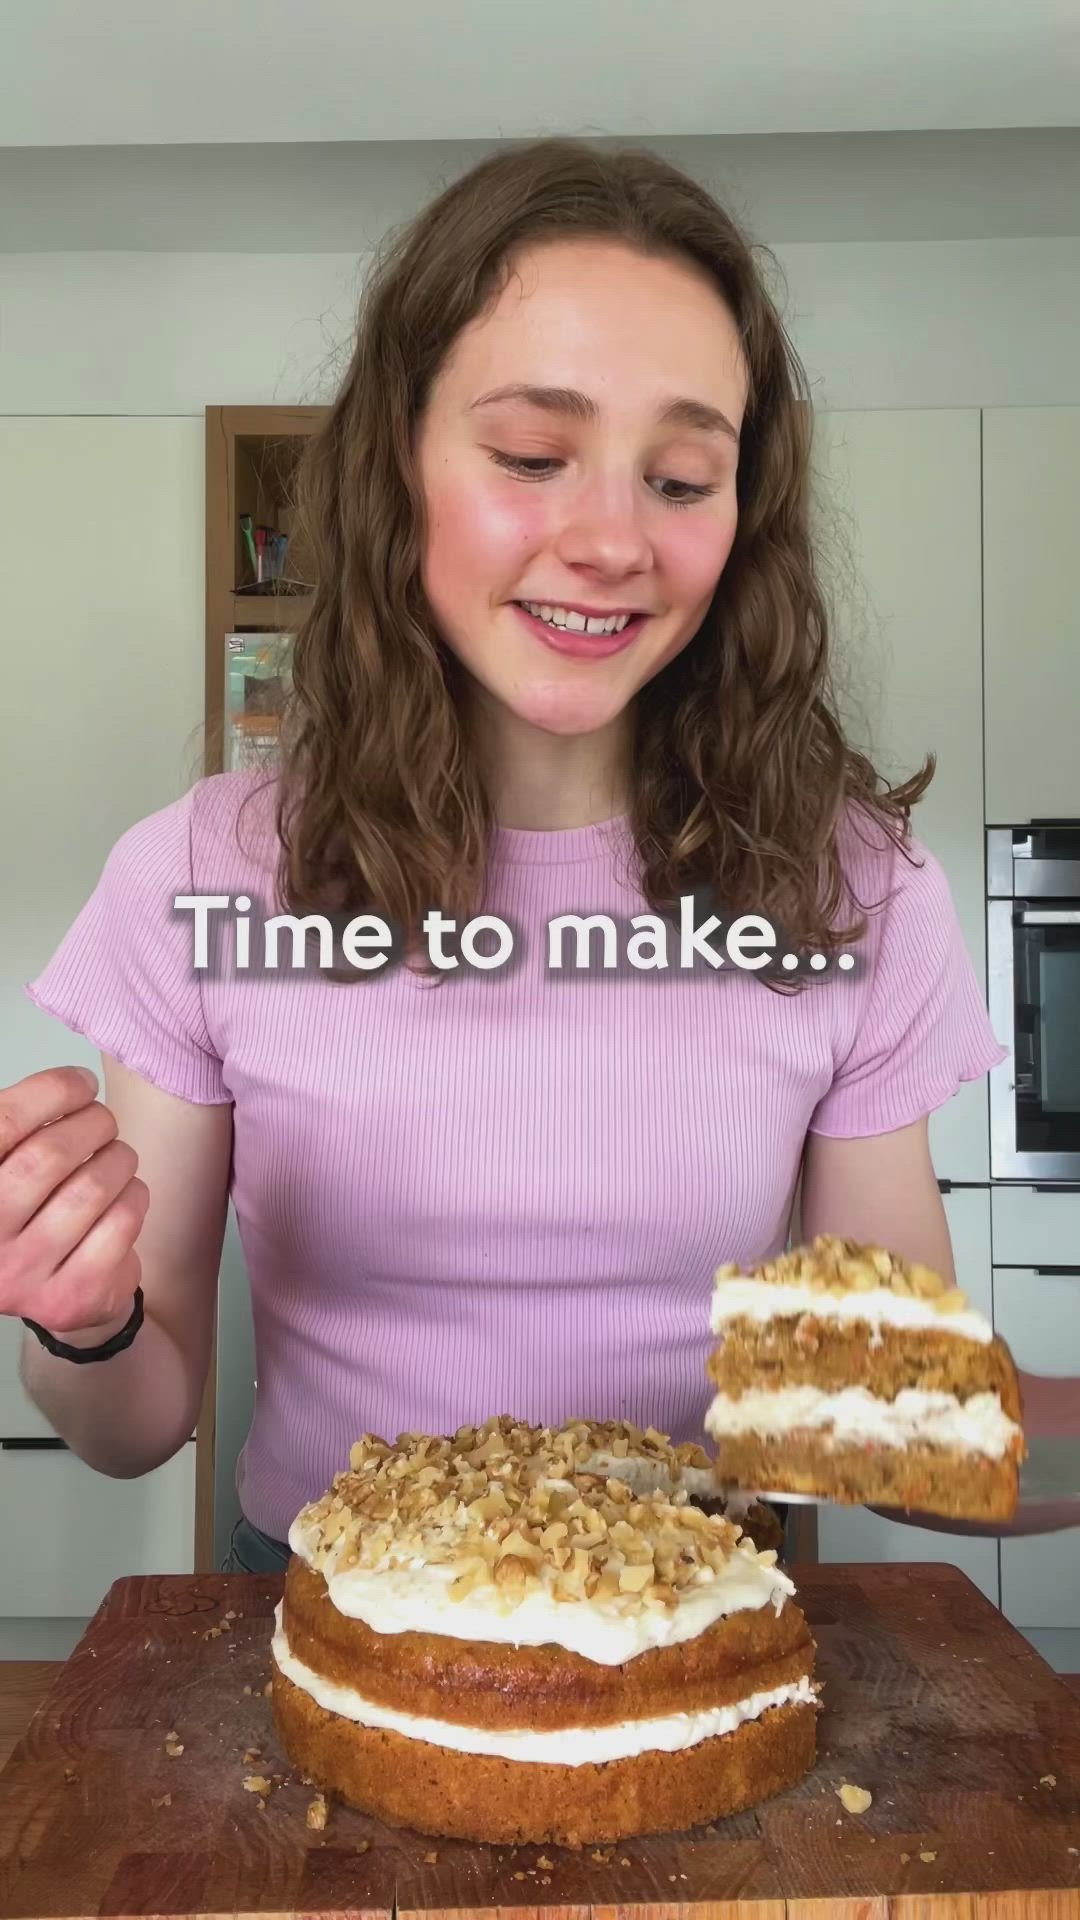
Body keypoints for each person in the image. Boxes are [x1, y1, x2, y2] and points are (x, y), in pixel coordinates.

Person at [1, 139, 1059, 1578]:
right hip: (321, 1614)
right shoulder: (199, 878)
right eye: (530, 456)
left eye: (683, 478)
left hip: (700, 1619)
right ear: (397, 468)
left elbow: (888, 1420)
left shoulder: (854, 888)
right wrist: (87, 1315)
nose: (613, 538)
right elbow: (137, 1422)